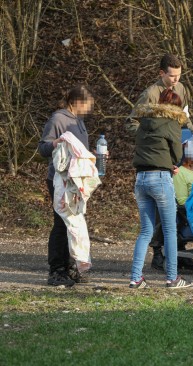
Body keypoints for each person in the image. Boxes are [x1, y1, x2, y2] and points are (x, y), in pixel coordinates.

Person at [130, 88, 191, 289]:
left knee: (146, 230)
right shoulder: (172, 123)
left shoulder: (143, 123)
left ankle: (136, 278)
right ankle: (172, 278)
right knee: (169, 229)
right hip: (160, 178)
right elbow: (176, 154)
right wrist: (172, 164)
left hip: (140, 178)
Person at [38, 84, 95, 287]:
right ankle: (56, 269)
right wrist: (55, 143)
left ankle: (72, 267)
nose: (89, 110)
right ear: (76, 102)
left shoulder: (78, 121)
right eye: (87, 105)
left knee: (75, 225)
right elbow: (43, 147)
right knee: (61, 224)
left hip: (76, 181)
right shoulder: (58, 119)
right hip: (59, 180)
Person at [127, 53, 192, 133]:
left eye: (179, 75)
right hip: (156, 143)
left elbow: (185, 115)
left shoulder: (180, 88)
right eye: (172, 76)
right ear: (161, 73)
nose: (176, 79)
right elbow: (132, 122)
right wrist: (152, 137)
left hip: (177, 138)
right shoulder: (150, 95)